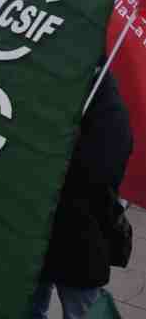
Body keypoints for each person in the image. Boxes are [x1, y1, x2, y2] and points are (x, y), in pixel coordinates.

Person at [31, 71, 132, 319]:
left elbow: (103, 170)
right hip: (32, 230)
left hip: (80, 233)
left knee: (81, 310)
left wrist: (61, 156)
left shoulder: (103, 98)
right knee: (29, 308)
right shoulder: (39, 83)